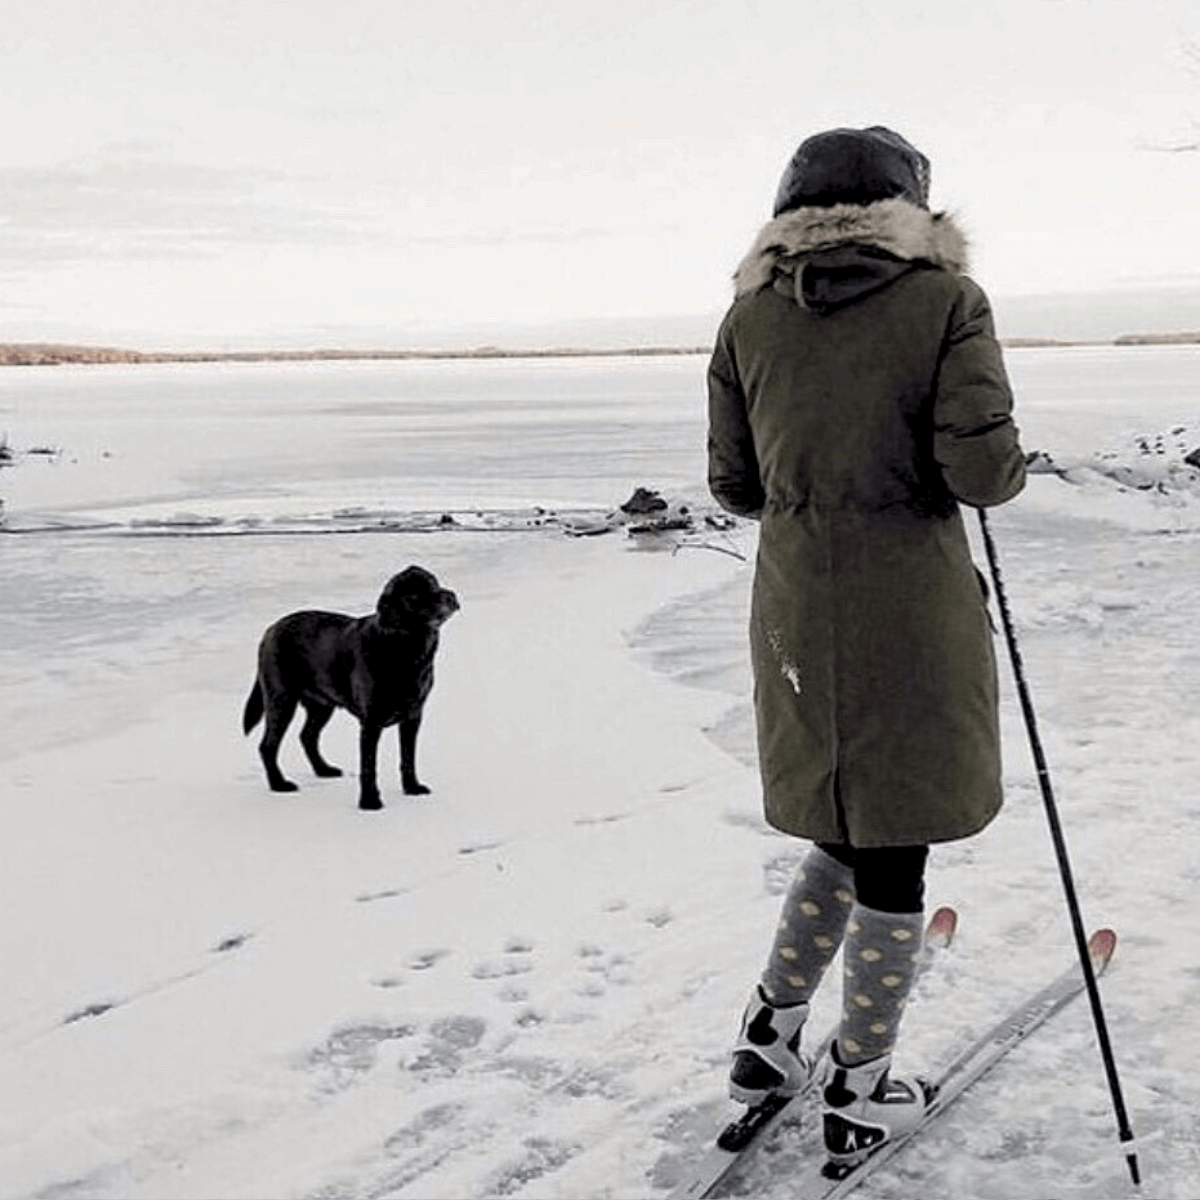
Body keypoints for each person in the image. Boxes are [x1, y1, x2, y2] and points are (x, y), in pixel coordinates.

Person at [706, 125, 1026, 1166]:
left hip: (797, 604)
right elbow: (982, 475)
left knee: (845, 819)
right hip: (909, 602)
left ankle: (768, 1038)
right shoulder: (944, 301)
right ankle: (861, 1084)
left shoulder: (750, 316)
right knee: (896, 836)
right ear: (912, 204)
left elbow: (735, 485)